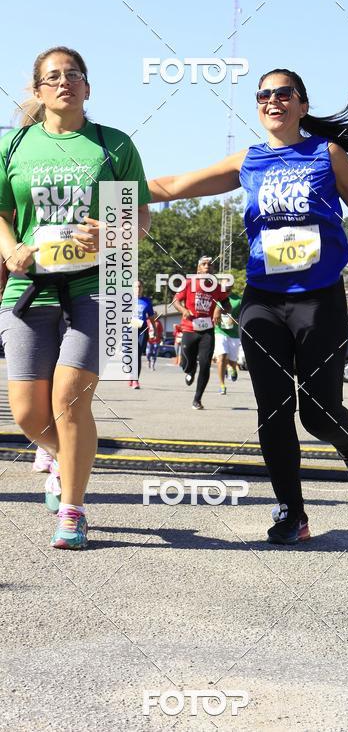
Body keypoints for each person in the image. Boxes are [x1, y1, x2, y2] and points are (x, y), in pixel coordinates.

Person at [150, 68, 348, 544]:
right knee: (273, 409)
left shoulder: (327, 154)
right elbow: (176, 184)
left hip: (319, 299)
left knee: (318, 414)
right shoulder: (249, 159)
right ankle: (292, 513)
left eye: (284, 93)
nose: (273, 100)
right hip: (263, 299)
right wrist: (118, 188)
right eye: (263, 94)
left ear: (302, 105)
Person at [0, 46, 151, 550]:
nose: (64, 82)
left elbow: (140, 221)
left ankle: (73, 510)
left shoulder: (111, 146)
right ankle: (60, 459)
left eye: (74, 75)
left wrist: (112, 234)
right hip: (29, 290)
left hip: (96, 289)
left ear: (88, 88)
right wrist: (13, 250)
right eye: (53, 77)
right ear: (39, 90)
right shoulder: (16, 146)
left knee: (68, 401)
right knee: (26, 414)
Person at [172, 256, 231, 409]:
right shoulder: (189, 283)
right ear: (198, 269)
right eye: (204, 264)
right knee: (186, 363)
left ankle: (197, 399)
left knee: (205, 364)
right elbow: (175, 301)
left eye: (210, 265)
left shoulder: (216, 287)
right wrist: (183, 310)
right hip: (189, 328)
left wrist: (219, 309)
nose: (207, 267)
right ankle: (189, 370)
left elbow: (227, 304)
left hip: (207, 330)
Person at [214, 283, 242, 394]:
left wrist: (234, 319)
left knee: (232, 361)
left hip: (234, 334)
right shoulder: (217, 297)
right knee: (222, 357)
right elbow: (212, 311)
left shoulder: (238, 300)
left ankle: (232, 368)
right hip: (220, 331)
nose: (225, 286)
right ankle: (222, 385)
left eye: (228, 284)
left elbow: (243, 315)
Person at [132, 281, 156, 389]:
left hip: (142, 329)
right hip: (129, 329)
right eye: (136, 286)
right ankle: (133, 378)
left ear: (142, 288)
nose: (138, 288)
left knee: (138, 355)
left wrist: (154, 329)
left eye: (140, 286)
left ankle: (135, 379)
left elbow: (151, 317)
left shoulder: (147, 301)